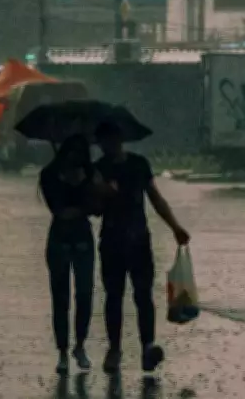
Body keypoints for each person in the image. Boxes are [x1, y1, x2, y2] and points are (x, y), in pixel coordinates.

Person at [92, 122, 191, 374]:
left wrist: (175, 227)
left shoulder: (139, 164)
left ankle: (147, 346)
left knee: (143, 295)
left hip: (138, 240)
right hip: (112, 240)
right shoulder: (98, 169)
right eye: (104, 142)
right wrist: (103, 193)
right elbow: (94, 210)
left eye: (111, 140)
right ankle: (114, 349)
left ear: (120, 139)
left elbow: (155, 198)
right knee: (114, 296)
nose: (108, 146)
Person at [39, 135, 99, 374]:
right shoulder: (49, 175)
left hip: (83, 239)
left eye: (79, 151)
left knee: (84, 294)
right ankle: (63, 350)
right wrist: (79, 202)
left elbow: (96, 209)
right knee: (60, 297)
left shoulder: (91, 174)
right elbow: (58, 210)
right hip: (59, 240)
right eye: (71, 150)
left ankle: (80, 345)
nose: (75, 156)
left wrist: (88, 187)